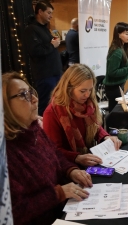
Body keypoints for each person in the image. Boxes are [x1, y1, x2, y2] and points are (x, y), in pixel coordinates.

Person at [3, 72, 92, 225]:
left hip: (64, 209)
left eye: (31, 92)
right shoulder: (6, 154)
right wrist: (58, 193)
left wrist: (71, 170)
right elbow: (14, 212)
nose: (35, 99)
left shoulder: (33, 130)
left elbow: (55, 154)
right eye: (23, 95)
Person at [43, 64, 122, 167]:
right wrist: (77, 157)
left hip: (88, 160)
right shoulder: (52, 113)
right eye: (83, 91)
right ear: (68, 88)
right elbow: (53, 150)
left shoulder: (88, 104)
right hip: (68, 167)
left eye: (90, 89)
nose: (87, 95)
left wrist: (106, 137)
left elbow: (95, 127)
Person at [24, 1, 62, 116]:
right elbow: (36, 51)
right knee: (46, 105)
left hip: (55, 73)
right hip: (45, 75)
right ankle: (43, 131)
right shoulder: (31, 30)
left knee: (56, 104)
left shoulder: (44, 29)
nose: (51, 16)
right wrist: (52, 45)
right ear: (40, 12)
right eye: (49, 12)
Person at [103, 22, 128, 112]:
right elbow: (112, 72)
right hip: (114, 87)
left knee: (117, 111)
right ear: (118, 35)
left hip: (118, 85)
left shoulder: (122, 47)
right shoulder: (117, 51)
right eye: (126, 34)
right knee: (115, 112)